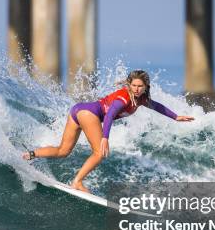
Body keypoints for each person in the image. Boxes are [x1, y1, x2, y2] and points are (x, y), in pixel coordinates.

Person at [22, 70, 195, 193]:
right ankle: (77, 182)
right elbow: (111, 114)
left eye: (140, 86)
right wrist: (105, 137)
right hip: (89, 114)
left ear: (145, 87)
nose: (136, 89)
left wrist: (176, 117)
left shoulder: (141, 99)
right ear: (129, 85)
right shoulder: (124, 97)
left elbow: (156, 106)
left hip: (78, 111)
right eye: (134, 85)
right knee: (99, 153)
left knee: (63, 151)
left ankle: (29, 155)